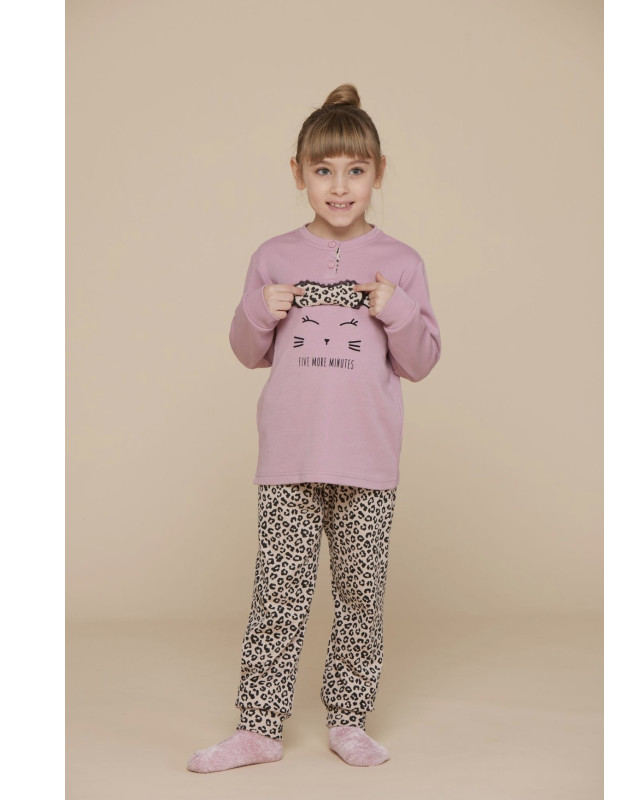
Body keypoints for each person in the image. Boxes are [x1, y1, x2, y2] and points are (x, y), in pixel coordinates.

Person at [187, 83, 441, 772]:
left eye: (355, 170)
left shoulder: (403, 262)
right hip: (290, 459)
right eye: (323, 170)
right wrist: (258, 310)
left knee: (360, 596)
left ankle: (349, 720)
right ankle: (259, 728)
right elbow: (247, 352)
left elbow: (420, 362)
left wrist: (397, 309)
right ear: (298, 173)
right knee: (278, 594)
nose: (339, 186)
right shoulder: (273, 256)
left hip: (367, 461)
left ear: (377, 173)